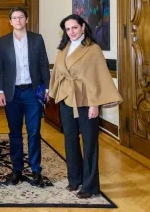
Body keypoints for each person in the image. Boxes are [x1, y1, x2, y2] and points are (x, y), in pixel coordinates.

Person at [49, 14, 122, 199]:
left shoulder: (93, 49)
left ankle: (90, 186)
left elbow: (98, 78)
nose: (71, 32)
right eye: (68, 29)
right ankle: (75, 179)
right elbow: (57, 73)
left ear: (83, 27)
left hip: (86, 101)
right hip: (67, 99)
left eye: (74, 27)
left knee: (89, 143)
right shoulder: (63, 49)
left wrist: (95, 104)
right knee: (70, 140)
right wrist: (54, 94)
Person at [0, 6, 50, 187]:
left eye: (21, 17)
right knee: (15, 133)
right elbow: (0, 67)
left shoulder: (37, 39)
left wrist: (47, 88)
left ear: (26, 19)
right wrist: (0, 90)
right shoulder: (3, 41)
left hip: (32, 93)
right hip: (12, 93)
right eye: (14, 17)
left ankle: (36, 171)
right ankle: (17, 170)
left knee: (34, 133)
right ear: (10, 21)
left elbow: (43, 64)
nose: (18, 20)